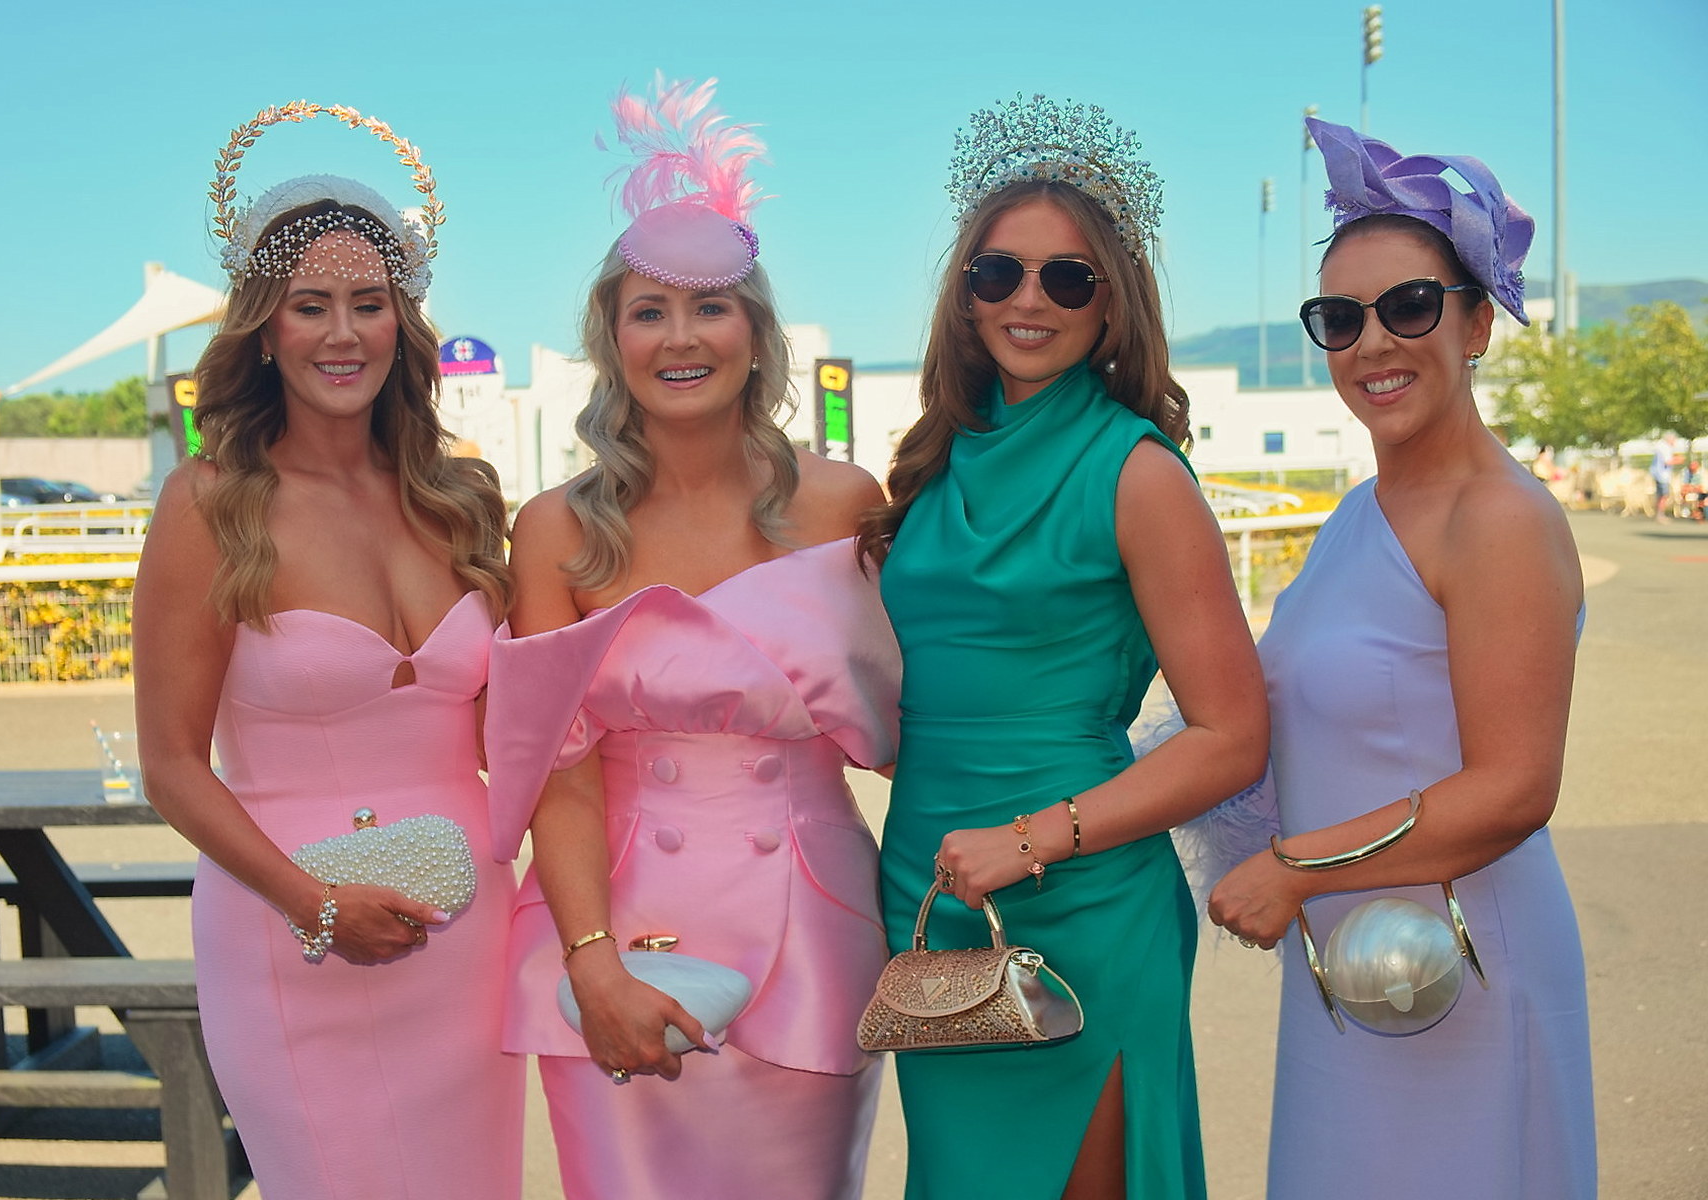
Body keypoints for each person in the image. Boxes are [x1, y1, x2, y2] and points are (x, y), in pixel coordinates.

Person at [484, 78, 899, 1200]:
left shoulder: (847, 504)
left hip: (809, 930)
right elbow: (556, 769)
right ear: (611, 339)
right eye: (648, 311)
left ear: (756, 335)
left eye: (710, 308)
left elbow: (915, 722)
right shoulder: (556, 529)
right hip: (613, 931)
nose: (680, 338)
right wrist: (590, 961)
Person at [858, 96, 1269, 1200]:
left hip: (1080, 900)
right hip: (934, 899)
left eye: (1068, 279)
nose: (1028, 299)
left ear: (1112, 304)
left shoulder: (1137, 473)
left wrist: (1032, 837)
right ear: (965, 294)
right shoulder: (930, 467)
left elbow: (1232, 737)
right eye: (998, 273)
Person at [132, 103, 523, 1199]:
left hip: (467, 947)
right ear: (264, 329)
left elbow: (510, 736)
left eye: (368, 303)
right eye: (310, 306)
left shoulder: (458, 499)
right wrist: (314, 905)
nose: (342, 334)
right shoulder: (210, 503)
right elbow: (170, 765)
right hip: (291, 935)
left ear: (403, 322)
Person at [1209, 118, 1596, 1199]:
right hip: (1351, 965)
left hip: (1461, 968)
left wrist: (1294, 867)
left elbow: (1515, 789)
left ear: (1478, 323)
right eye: (1340, 318)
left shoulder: (1499, 520)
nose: (1372, 343)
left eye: (1410, 306)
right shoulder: (1352, 517)